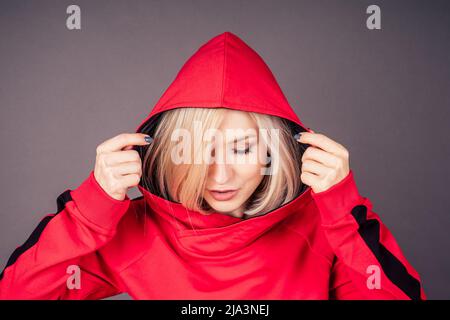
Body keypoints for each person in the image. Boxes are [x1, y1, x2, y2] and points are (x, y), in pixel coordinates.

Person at [0, 32, 425, 299]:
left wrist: (342, 210)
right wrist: (91, 208)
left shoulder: (321, 228)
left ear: (273, 152)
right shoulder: (138, 232)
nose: (219, 177)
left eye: (241, 149)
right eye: (199, 151)